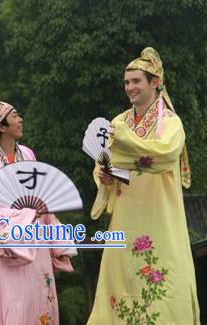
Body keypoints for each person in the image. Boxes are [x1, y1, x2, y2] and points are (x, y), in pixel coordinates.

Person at [88, 47, 200, 324]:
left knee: (166, 282)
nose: (130, 87)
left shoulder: (171, 123)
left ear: (154, 83)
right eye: (127, 82)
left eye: (136, 81)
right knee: (119, 281)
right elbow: (105, 162)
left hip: (159, 216)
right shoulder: (118, 122)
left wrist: (125, 145)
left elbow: (163, 156)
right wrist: (104, 177)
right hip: (126, 217)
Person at [0, 95, 76, 325]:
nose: (20, 119)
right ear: (1, 125)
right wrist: (28, 214)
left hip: (36, 244)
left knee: (37, 303)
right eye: (15, 115)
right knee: (12, 304)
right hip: (8, 249)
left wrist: (57, 241)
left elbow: (42, 199)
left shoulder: (28, 154)